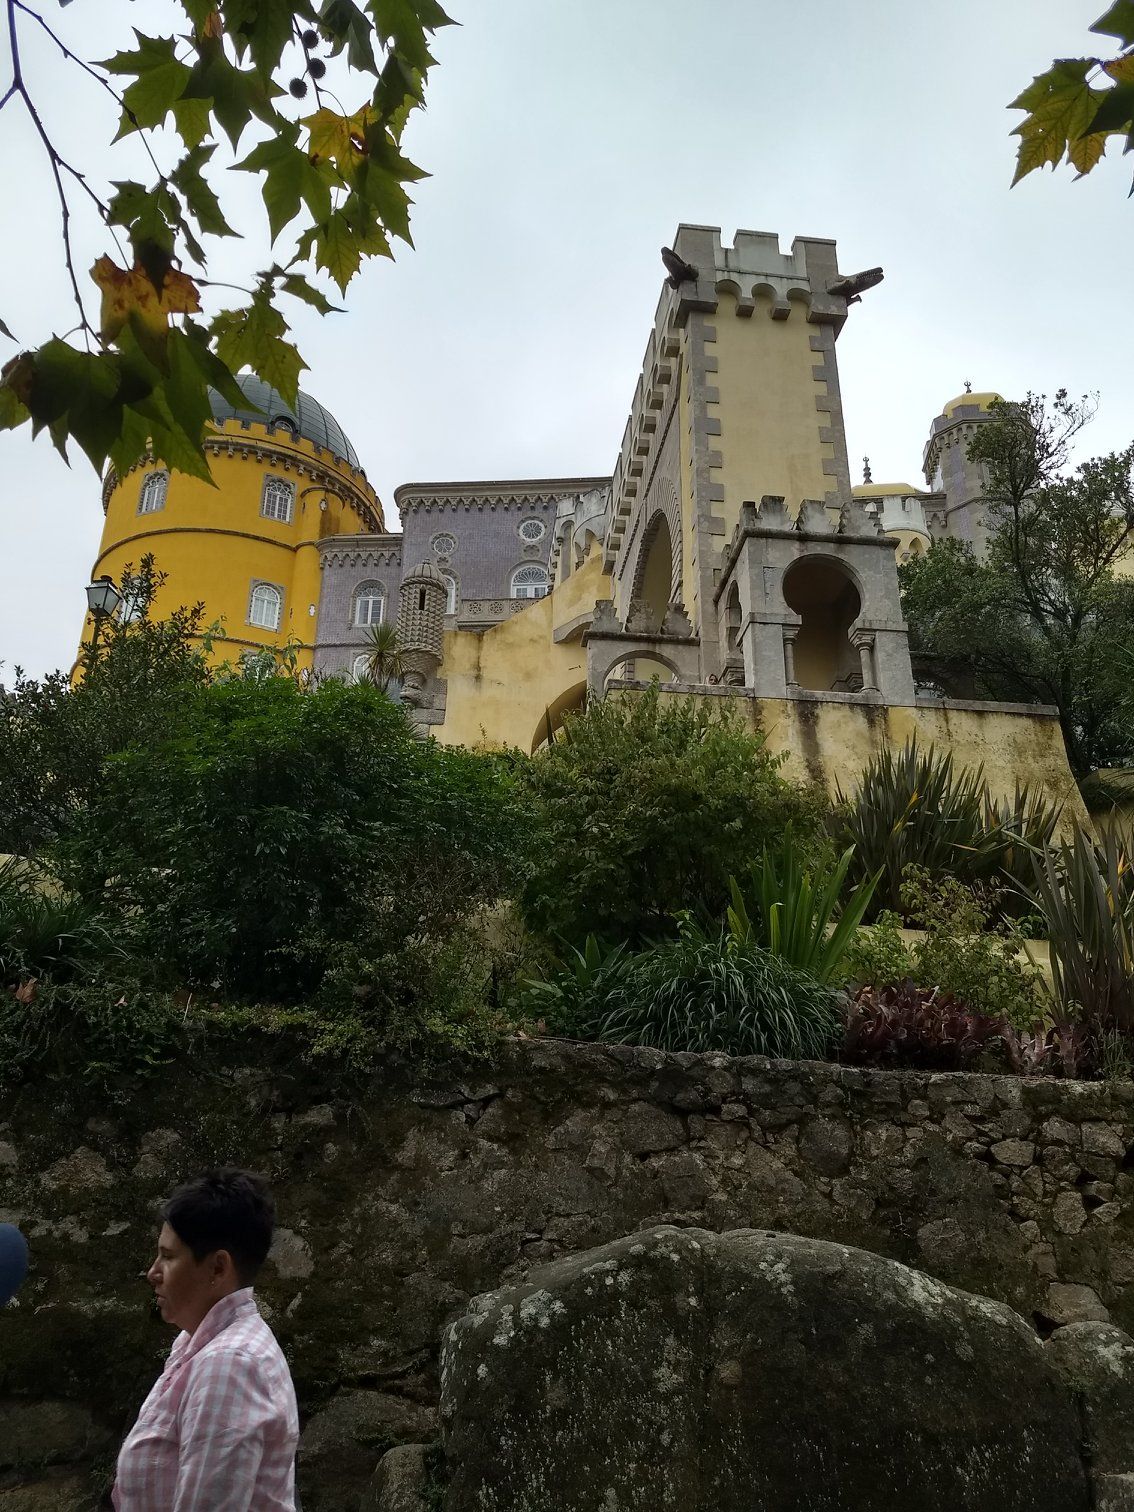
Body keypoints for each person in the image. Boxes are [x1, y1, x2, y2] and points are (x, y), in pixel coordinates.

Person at [113, 1168, 299, 1511]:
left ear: (217, 1268)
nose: (152, 1272)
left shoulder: (229, 1365)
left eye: (168, 1256)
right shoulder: (197, 1344)